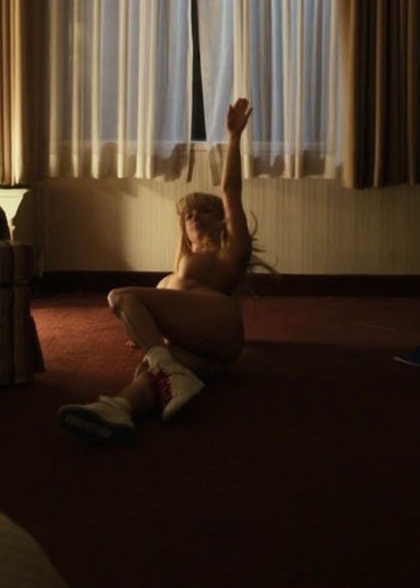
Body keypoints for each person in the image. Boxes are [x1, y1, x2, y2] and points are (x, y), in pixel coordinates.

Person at [58, 97, 269, 443]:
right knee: (149, 370)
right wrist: (148, 335)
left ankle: (166, 370)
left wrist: (233, 137)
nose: (194, 216)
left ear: (222, 221)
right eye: (188, 215)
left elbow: (230, 189)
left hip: (219, 322)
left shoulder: (229, 253)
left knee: (120, 297)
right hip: (207, 349)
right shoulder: (177, 272)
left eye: (204, 211)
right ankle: (119, 409)